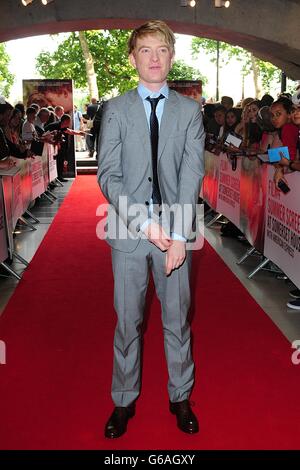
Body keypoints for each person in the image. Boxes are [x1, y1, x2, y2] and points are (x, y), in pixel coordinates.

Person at [98, 20, 205, 439]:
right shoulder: (117, 109)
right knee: (128, 323)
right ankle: (123, 400)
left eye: (161, 49)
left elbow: (191, 174)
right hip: (128, 232)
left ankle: (180, 396)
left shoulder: (190, 111)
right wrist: (143, 223)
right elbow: (108, 175)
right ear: (132, 58)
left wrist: (178, 235)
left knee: (177, 320)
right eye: (145, 50)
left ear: (171, 56)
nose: (155, 57)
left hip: (175, 234)